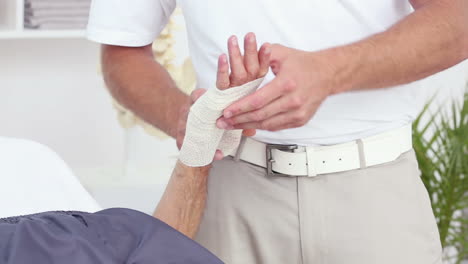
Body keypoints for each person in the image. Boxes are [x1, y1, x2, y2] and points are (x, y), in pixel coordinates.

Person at [86, 0, 468, 263]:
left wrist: (330, 72)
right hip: (227, 194)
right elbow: (123, 50)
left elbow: (458, 19)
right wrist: (182, 117)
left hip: (373, 196)